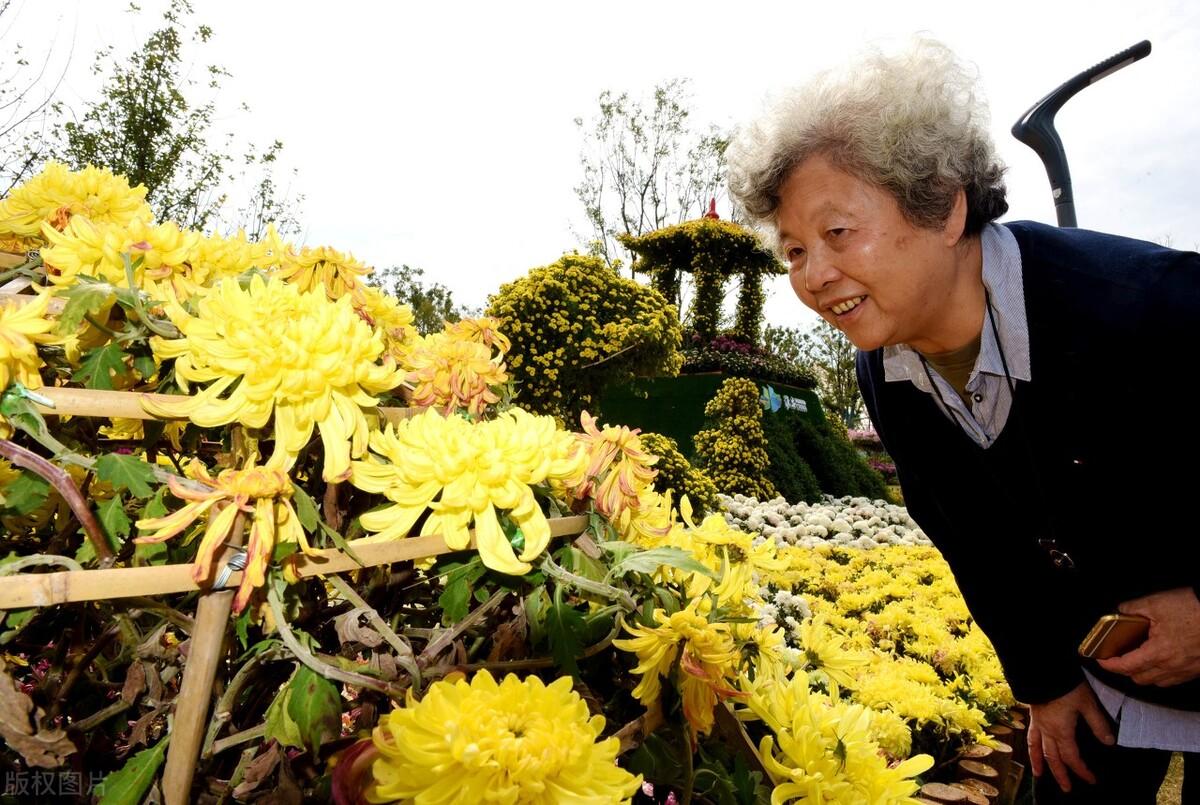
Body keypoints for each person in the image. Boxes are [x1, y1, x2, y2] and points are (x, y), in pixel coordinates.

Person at [726, 38, 1200, 803]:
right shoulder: (884, 368)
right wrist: (1042, 678)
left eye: (838, 234)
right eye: (794, 251)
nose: (813, 277)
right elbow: (971, 537)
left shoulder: (1151, 306)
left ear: (944, 205)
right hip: (1098, 685)